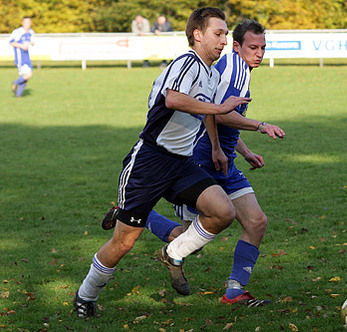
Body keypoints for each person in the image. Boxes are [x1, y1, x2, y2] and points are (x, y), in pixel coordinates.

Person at [73, 7, 251, 318]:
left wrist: (217, 141)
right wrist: (220, 108)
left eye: (225, 34)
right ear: (197, 35)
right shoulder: (188, 63)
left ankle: (173, 252)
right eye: (218, 33)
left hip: (181, 163)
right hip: (150, 161)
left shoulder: (210, 73)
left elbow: (208, 111)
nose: (224, 40)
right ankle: (85, 295)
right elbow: (173, 98)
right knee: (124, 242)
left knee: (223, 212)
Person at [102, 19, 285, 307]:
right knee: (189, 239)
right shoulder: (234, 68)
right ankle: (134, 214)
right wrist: (258, 127)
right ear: (237, 47)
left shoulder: (237, 70)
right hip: (202, 160)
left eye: (263, 47)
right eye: (253, 47)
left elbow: (219, 117)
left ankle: (234, 291)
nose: (259, 53)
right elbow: (218, 113)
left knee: (256, 221)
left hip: (225, 161)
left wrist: (244, 151)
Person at [9, 16, 35, 98]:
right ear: (22, 23)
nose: (27, 24)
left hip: (27, 56)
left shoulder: (31, 32)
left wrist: (31, 43)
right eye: (25, 22)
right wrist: (21, 46)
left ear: (30, 23)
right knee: (29, 74)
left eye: (29, 22)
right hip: (20, 57)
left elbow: (30, 41)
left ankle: (18, 96)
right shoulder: (18, 31)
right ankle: (15, 83)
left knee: (25, 78)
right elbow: (11, 42)